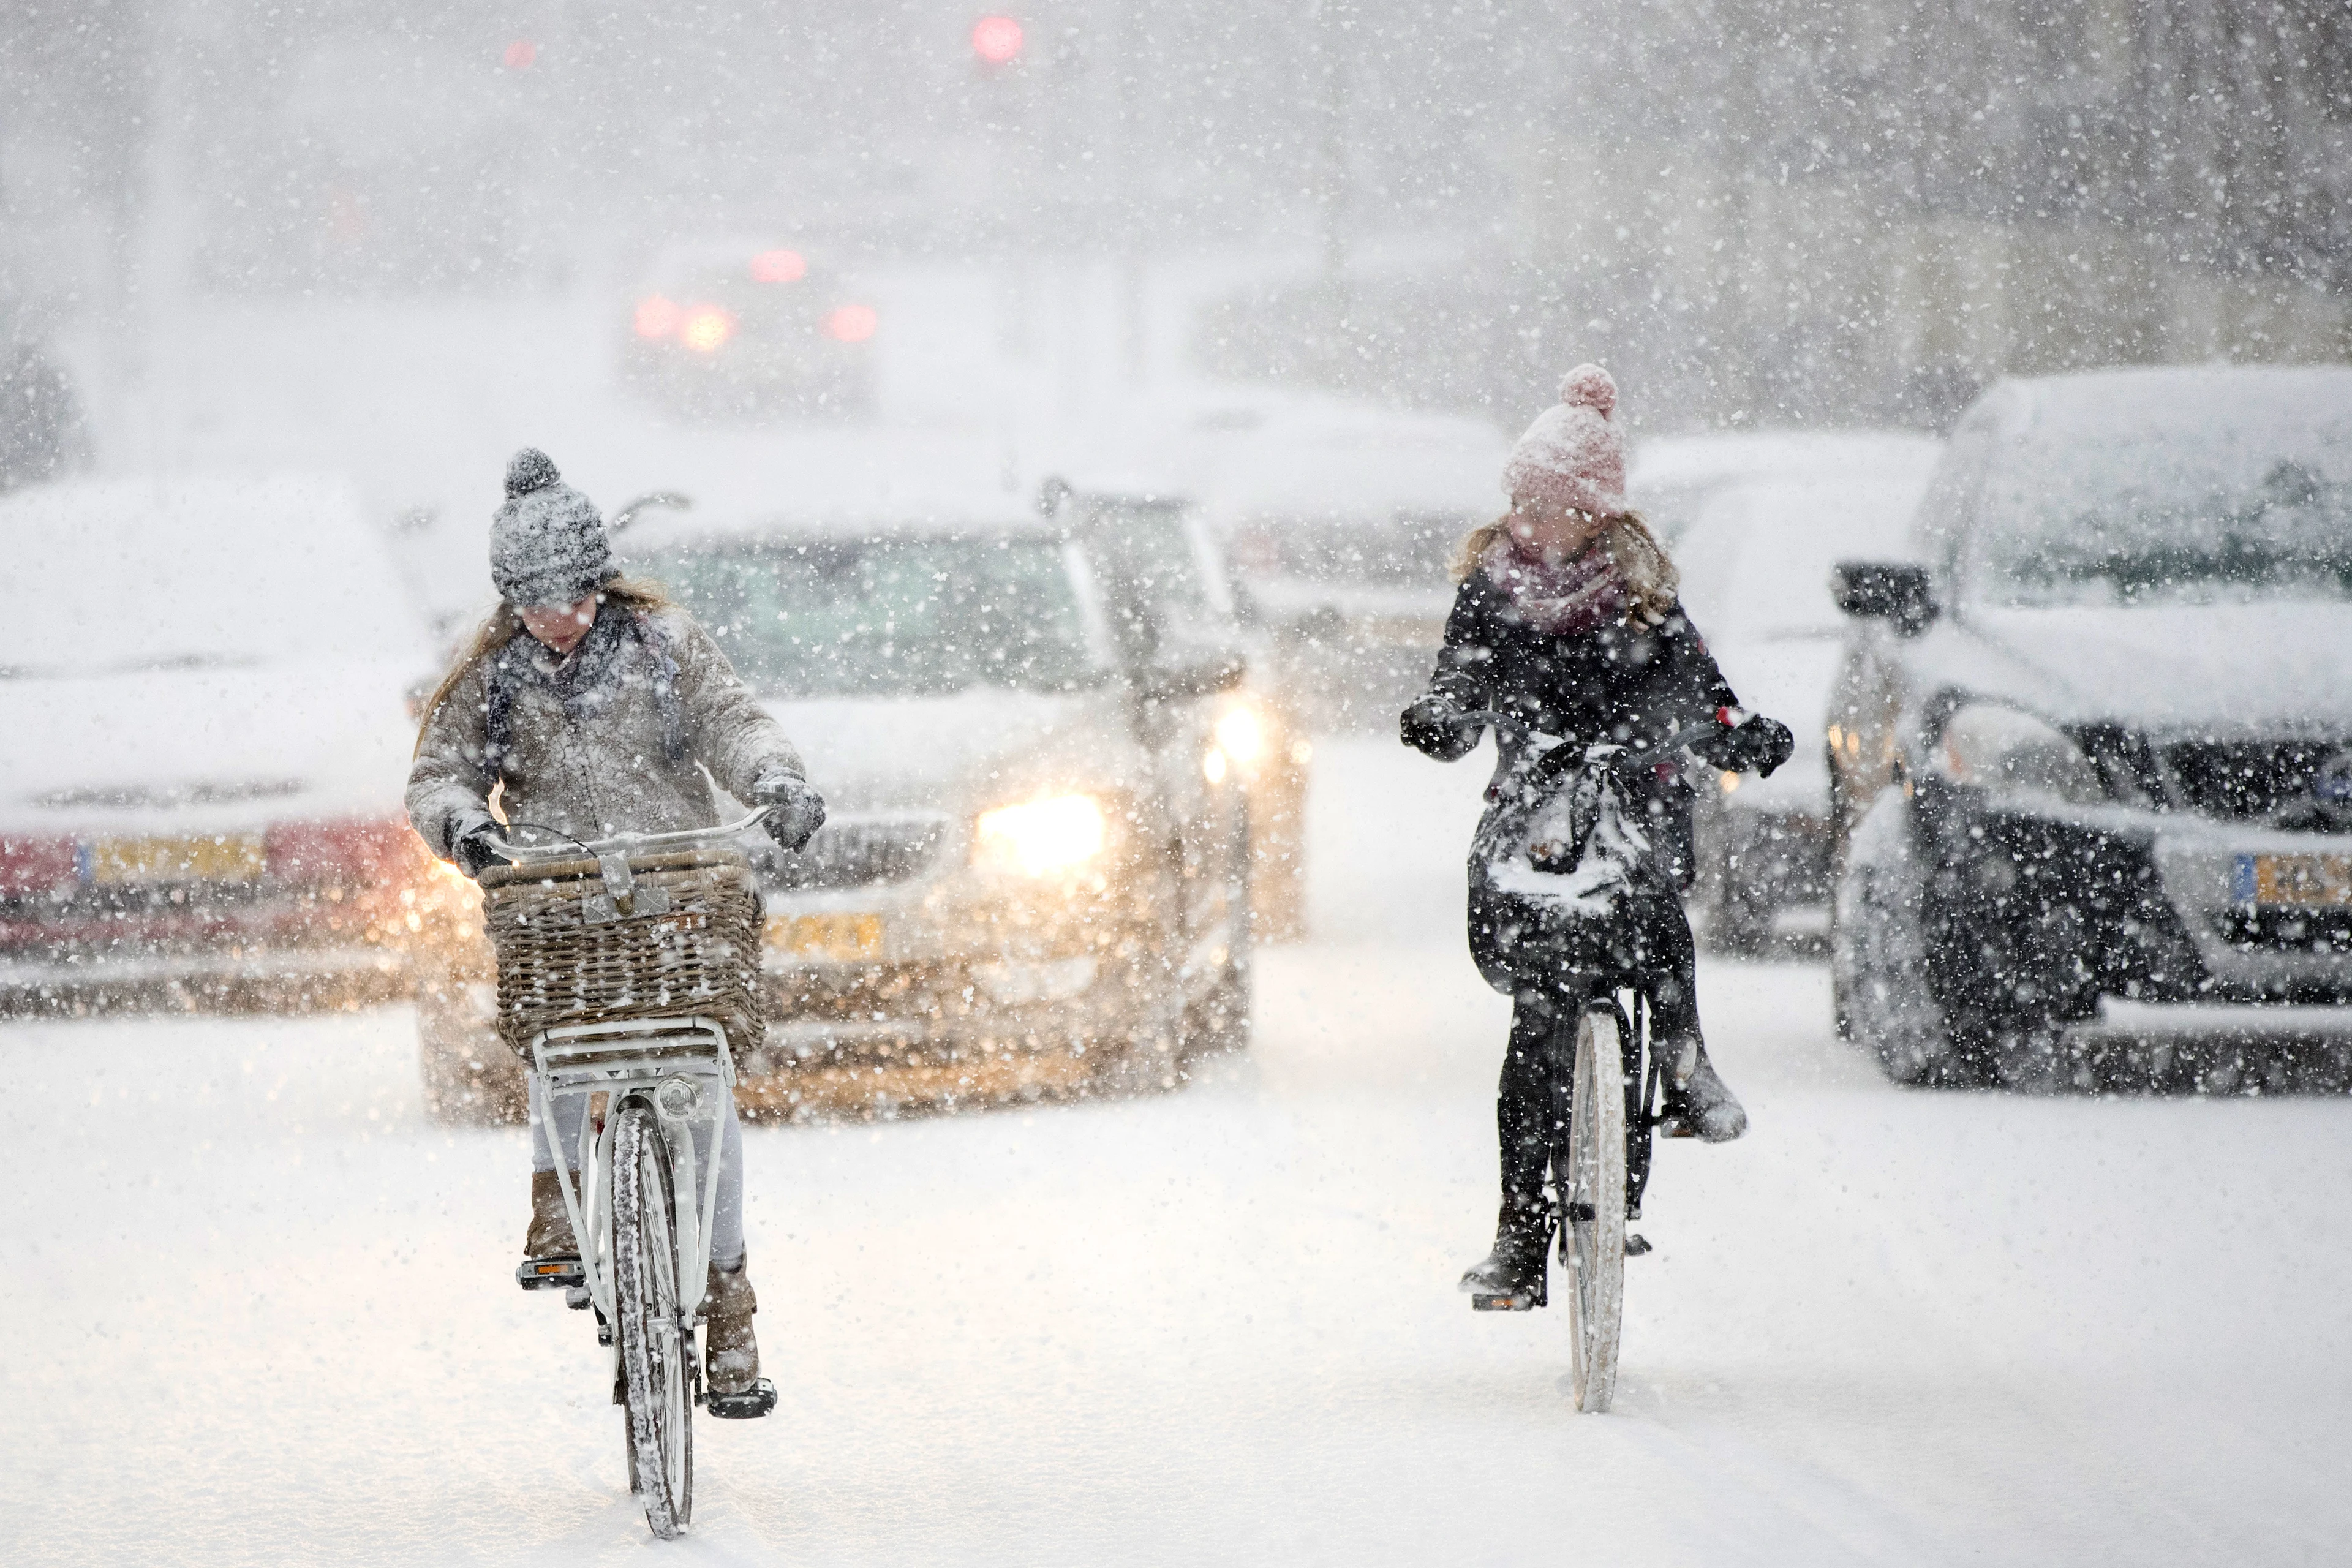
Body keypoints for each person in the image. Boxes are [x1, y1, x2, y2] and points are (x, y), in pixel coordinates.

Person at [408, 448, 826, 1413]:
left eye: (578, 594)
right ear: (512, 598)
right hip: (555, 886)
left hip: (680, 881)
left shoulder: (664, 644)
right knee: (556, 1038)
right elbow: (438, 773)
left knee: (705, 1083)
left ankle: (728, 1298)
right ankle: (554, 1198)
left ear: (601, 579)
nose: (563, 616)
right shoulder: (493, 675)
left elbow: (735, 721)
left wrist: (775, 781)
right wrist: (466, 826)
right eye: (539, 601)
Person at [1400, 365, 1793, 1306]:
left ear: (1597, 514)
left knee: (1657, 922)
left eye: (1550, 504)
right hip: (1534, 814)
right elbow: (1459, 681)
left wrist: (1743, 735)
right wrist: (1442, 720)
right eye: (1521, 501)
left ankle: (1688, 1069)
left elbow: (1701, 696)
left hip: (1633, 805)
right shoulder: (1490, 591)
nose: (1531, 519)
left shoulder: (1643, 599)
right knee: (1534, 1027)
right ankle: (1519, 1243)